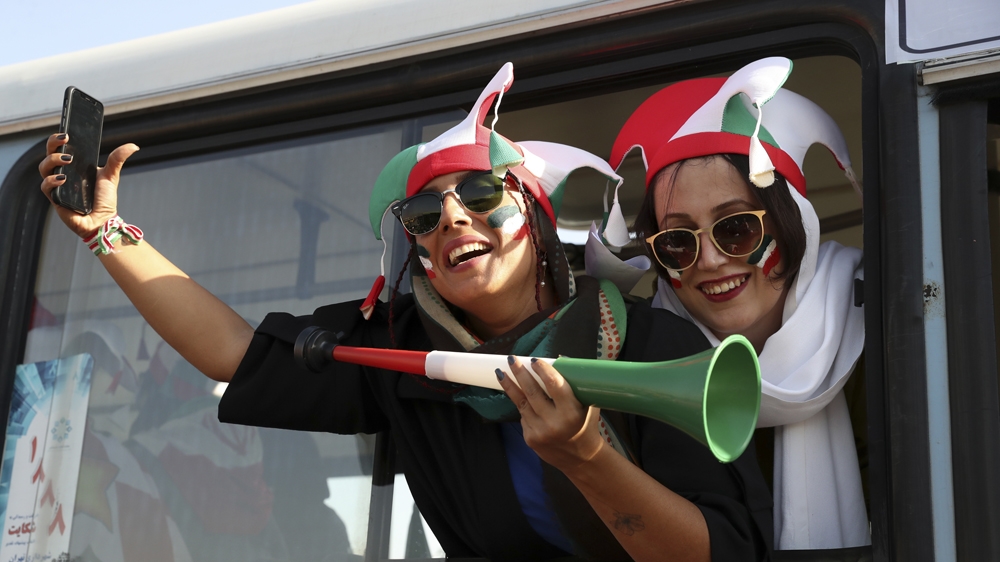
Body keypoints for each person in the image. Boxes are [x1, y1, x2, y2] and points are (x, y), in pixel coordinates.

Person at [39, 63, 772, 561]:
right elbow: (233, 351)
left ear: (537, 222)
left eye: (481, 197)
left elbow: (722, 551)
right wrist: (109, 235)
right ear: (417, 249)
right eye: (424, 214)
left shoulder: (649, 342)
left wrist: (585, 456)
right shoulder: (397, 350)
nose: (454, 220)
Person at [589, 57, 867, 551]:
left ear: (791, 224)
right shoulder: (638, 372)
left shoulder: (885, 331)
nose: (711, 261)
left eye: (736, 227)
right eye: (678, 241)